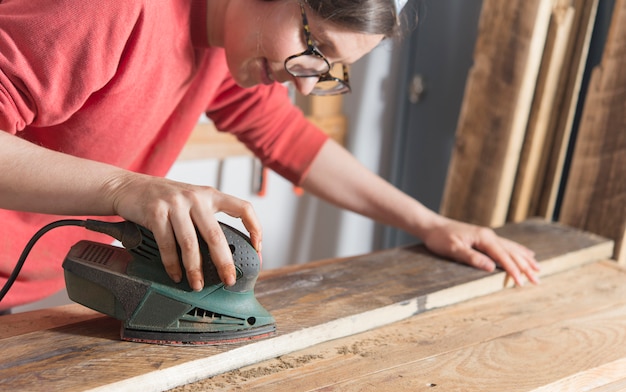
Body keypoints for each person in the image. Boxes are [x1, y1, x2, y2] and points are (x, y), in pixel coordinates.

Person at [0, 0, 540, 310]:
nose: (307, 86)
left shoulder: (224, 44)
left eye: (330, 70)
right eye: (318, 46)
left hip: (28, 297)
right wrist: (125, 189)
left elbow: (291, 141)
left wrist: (431, 222)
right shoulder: (112, 7)